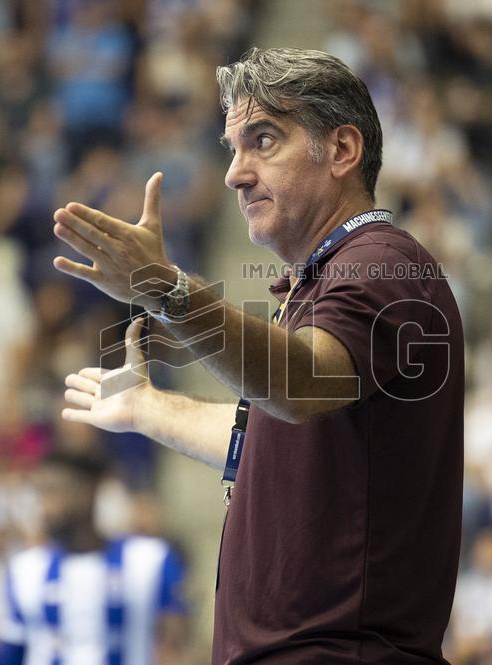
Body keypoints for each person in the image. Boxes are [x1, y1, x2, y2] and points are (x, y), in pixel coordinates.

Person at [56, 47, 464, 664]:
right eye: (232, 148)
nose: (234, 173)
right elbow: (268, 435)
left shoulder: (382, 266)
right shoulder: (323, 284)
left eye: (264, 140)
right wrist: (146, 408)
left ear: (342, 151)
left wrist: (166, 290)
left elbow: (299, 386)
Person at [0, 448, 188, 665]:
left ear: (87, 492)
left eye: (52, 491)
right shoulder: (25, 570)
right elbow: (11, 654)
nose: (43, 506)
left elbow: (176, 647)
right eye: (39, 493)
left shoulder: (150, 560)